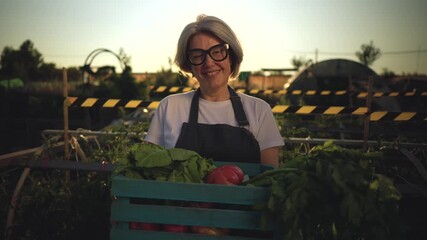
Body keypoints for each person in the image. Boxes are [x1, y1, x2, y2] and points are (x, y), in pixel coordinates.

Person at [144, 14, 284, 168]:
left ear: (230, 57)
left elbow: (270, 178)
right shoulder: (169, 107)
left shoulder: (259, 111)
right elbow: (149, 171)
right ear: (190, 65)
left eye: (217, 52)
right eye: (198, 56)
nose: (209, 63)